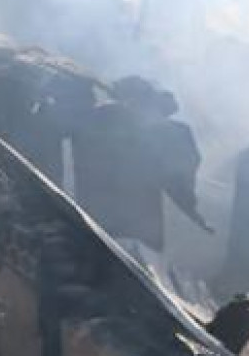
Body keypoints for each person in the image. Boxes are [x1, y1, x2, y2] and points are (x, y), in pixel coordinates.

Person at [71, 76, 210, 253]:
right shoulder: (166, 132)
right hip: (138, 224)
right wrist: (191, 208)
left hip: (94, 219)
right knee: (138, 260)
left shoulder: (91, 118)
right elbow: (177, 176)